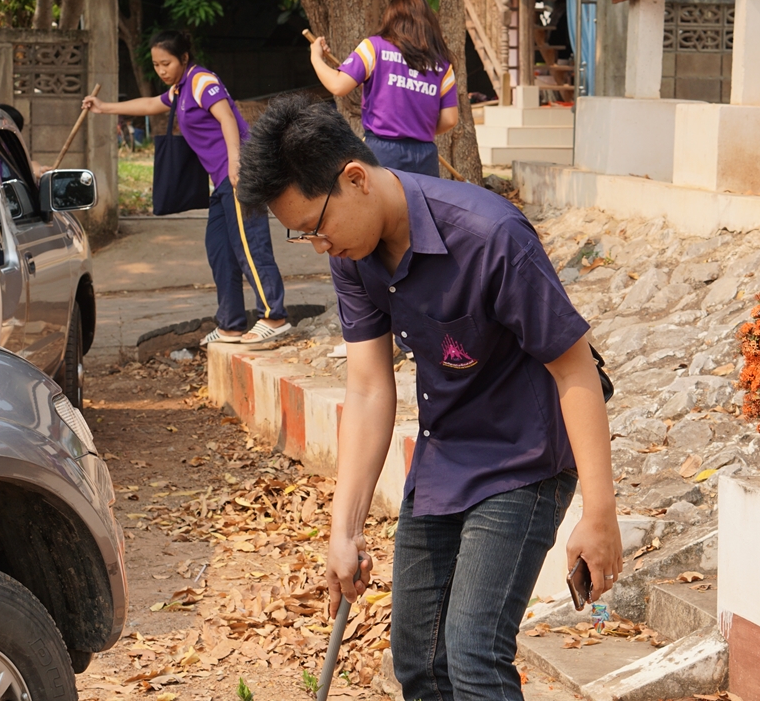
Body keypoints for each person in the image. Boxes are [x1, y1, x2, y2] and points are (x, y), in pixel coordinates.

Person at [235, 94, 622, 701]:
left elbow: (574, 369)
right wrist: (344, 530)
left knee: (473, 654)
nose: (318, 246)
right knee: (419, 658)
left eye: (315, 227)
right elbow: (368, 387)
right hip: (446, 454)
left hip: (525, 458)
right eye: (301, 235)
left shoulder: (491, 235)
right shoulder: (354, 251)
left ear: (355, 179)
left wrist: (599, 514)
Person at [82, 31, 289, 345]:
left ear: (184, 58)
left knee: (250, 246)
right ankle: (231, 324)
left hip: (239, 172)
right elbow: (152, 103)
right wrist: (104, 107)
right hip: (221, 181)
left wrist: (236, 162)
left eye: (166, 63)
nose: (161, 70)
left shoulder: (202, 81)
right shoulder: (180, 89)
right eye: (156, 65)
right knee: (219, 250)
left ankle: (274, 316)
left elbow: (227, 118)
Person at [308, 0, 459, 177]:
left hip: (383, 152)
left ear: (390, 18)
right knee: (420, 198)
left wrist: (315, 57)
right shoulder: (442, 65)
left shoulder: (374, 48)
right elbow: (450, 119)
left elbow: (338, 85)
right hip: (425, 157)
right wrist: (416, 128)